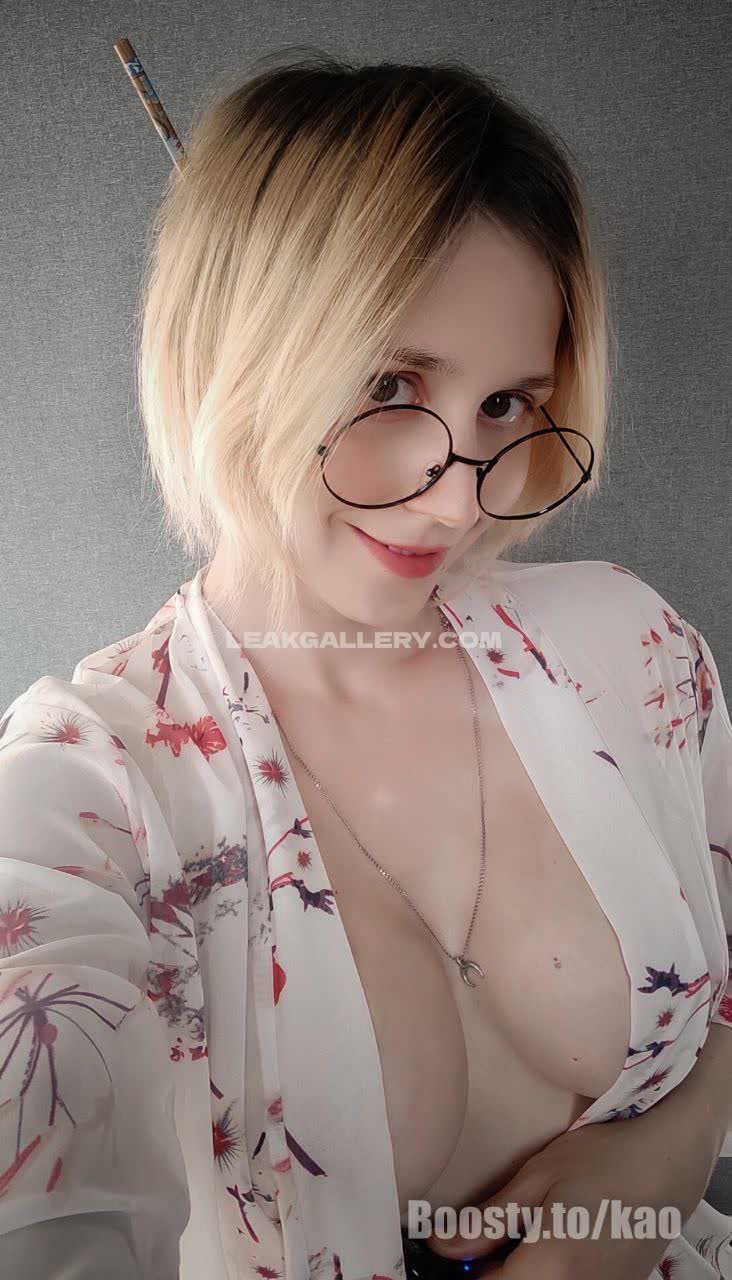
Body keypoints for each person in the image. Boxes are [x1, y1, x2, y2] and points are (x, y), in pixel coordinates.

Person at [0, 50, 730, 1280]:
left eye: (509, 403)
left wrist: (666, 1154)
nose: (458, 501)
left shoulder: (630, 649)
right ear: (229, 353)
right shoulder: (90, 785)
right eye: (390, 382)